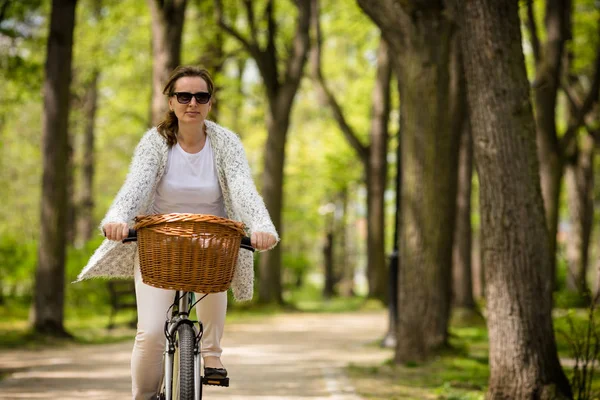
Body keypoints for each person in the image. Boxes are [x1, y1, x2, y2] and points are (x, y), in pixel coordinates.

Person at [76, 65, 278, 400]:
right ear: (171, 102)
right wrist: (117, 217)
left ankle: (212, 353)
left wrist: (261, 224)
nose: (192, 103)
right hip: (161, 244)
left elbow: (243, 188)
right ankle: (144, 397)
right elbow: (135, 187)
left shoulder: (225, 143)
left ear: (210, 103)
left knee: (216, 269)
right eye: (183, 96)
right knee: (151, 333)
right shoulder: (156, 142)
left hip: (212, 239)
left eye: (201, 96)